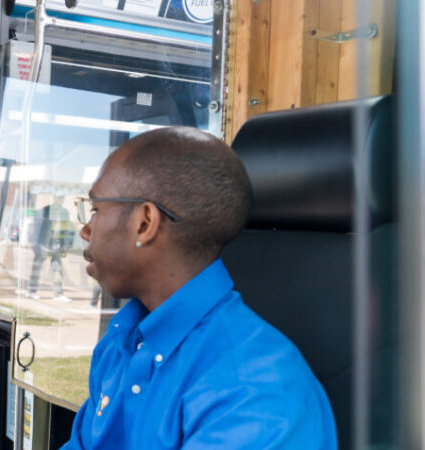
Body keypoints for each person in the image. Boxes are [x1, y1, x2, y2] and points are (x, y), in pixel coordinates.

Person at [63, 127, 336, 449]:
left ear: (145, 223)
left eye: (95, 209)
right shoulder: (122, 341)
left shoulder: (254, 392)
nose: (85, 229)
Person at [26, 196, 75, 302]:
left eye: (62, 198)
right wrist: (35, 244)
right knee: (36, 269)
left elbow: (66, 230)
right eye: (58, 198)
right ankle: (31, 291)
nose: (60, 200)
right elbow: (37, 228)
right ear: (54, 198)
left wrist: (65, 245)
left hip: (55, 246)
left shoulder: (64, 212)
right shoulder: (44, 211)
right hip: (42, 245)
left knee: (57, 269)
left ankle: (58, 294)